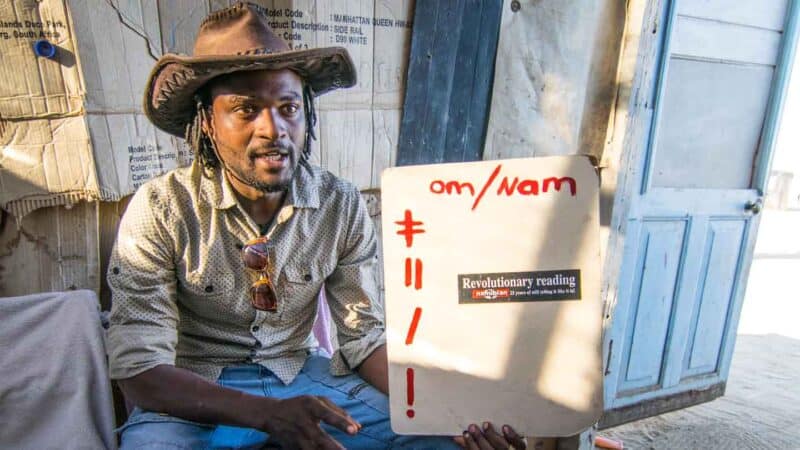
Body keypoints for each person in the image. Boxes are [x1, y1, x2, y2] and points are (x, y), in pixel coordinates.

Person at [108, 3, 527, 449]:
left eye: (288, 107)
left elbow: (362, 338)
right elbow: (140, 376)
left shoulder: (340, 204)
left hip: (303, 378)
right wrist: (268, 416)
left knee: (443, 443)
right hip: (194, 396)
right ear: (209, 122)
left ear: (307, 113)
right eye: (246, 110)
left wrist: (455, 416)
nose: (274, 129)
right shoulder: (161, 208)